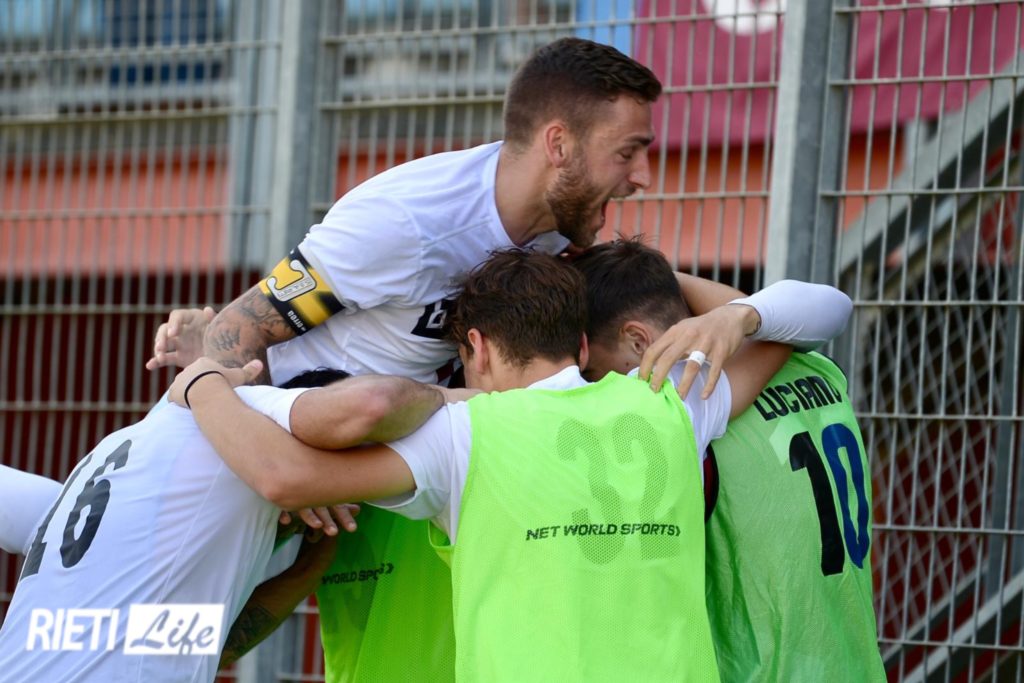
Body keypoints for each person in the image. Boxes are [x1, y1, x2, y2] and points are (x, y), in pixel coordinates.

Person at [143, 37, 741, 682]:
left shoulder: (555, 236)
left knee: (211, 647)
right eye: (627, 152)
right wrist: (291, 445)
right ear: (559, 144)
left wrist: (739, 316)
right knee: (155, 637)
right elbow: (236, 334)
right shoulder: (405, 221)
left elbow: (662, 292)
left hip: (386, 460)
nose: (642, 176)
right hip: (274, 446)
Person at [167, 248, 853, 681]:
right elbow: (818, 315)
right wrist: (739, 317)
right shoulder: (668, 405)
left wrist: (204, 378)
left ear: (477, 347)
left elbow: (283, 477)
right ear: (579, 344)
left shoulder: (461, 436)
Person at [0, 369, 456, 682]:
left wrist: (312, 560)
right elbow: (371, 405)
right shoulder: (249, 412)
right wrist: (472, 401)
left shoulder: (110, 485)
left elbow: (201, 644)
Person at [571, 239, 886, 682]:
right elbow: (797, 310)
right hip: (855, 665)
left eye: (592, 370)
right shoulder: (810, 364)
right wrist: (661, 279)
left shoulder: (682, 409)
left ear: (638, 341)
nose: (591, 383)